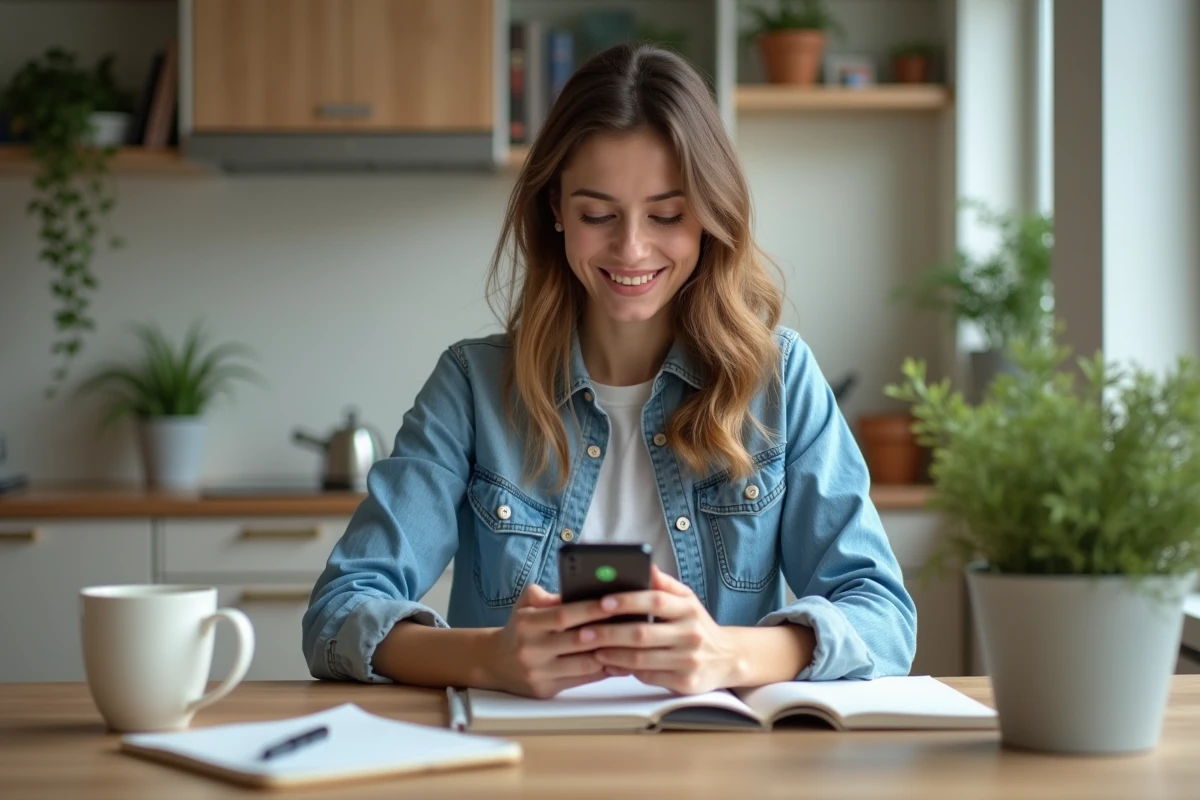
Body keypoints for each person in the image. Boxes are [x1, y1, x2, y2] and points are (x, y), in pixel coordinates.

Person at [302, 43, 916, 698]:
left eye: (667, 215)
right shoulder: (472, 385)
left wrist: (730, 654)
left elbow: (882, 617)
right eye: (598, 214)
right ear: (555, 212)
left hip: (720, 761)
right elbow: (338, 611)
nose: (631, 248)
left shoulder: (779, 380)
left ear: (709, 215)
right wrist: (487, 659)